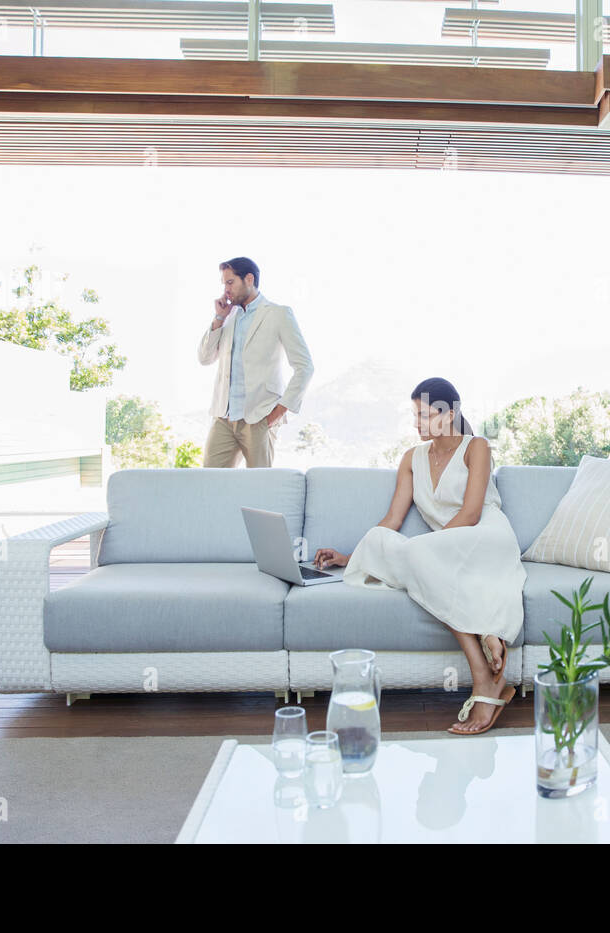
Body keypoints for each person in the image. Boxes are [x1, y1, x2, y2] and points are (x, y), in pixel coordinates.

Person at [312, 377, 526, 736]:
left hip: (485, 536)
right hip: (443, 547)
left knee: (421, 557)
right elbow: (392, 521)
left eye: (426, 415)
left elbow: (472, 513)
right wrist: (348, 557)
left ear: (451, 413)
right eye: (416, 414)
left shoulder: (477, 447)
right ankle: (487, 636)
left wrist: (432, 551)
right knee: (393, 544)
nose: (418, 423)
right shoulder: (412, 459)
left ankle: (482, 679)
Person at [198, 257, 313, 468]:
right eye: (224, 284)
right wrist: (218, 318)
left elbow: (305, 366)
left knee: (260, 487)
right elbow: (205, 358)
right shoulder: (228, 316)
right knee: (210, 482)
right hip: (224, 417)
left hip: (260, 417)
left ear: (249, 279)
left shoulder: (278, 314)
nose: (226, 289)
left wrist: (279, 411)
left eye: (230, 282)